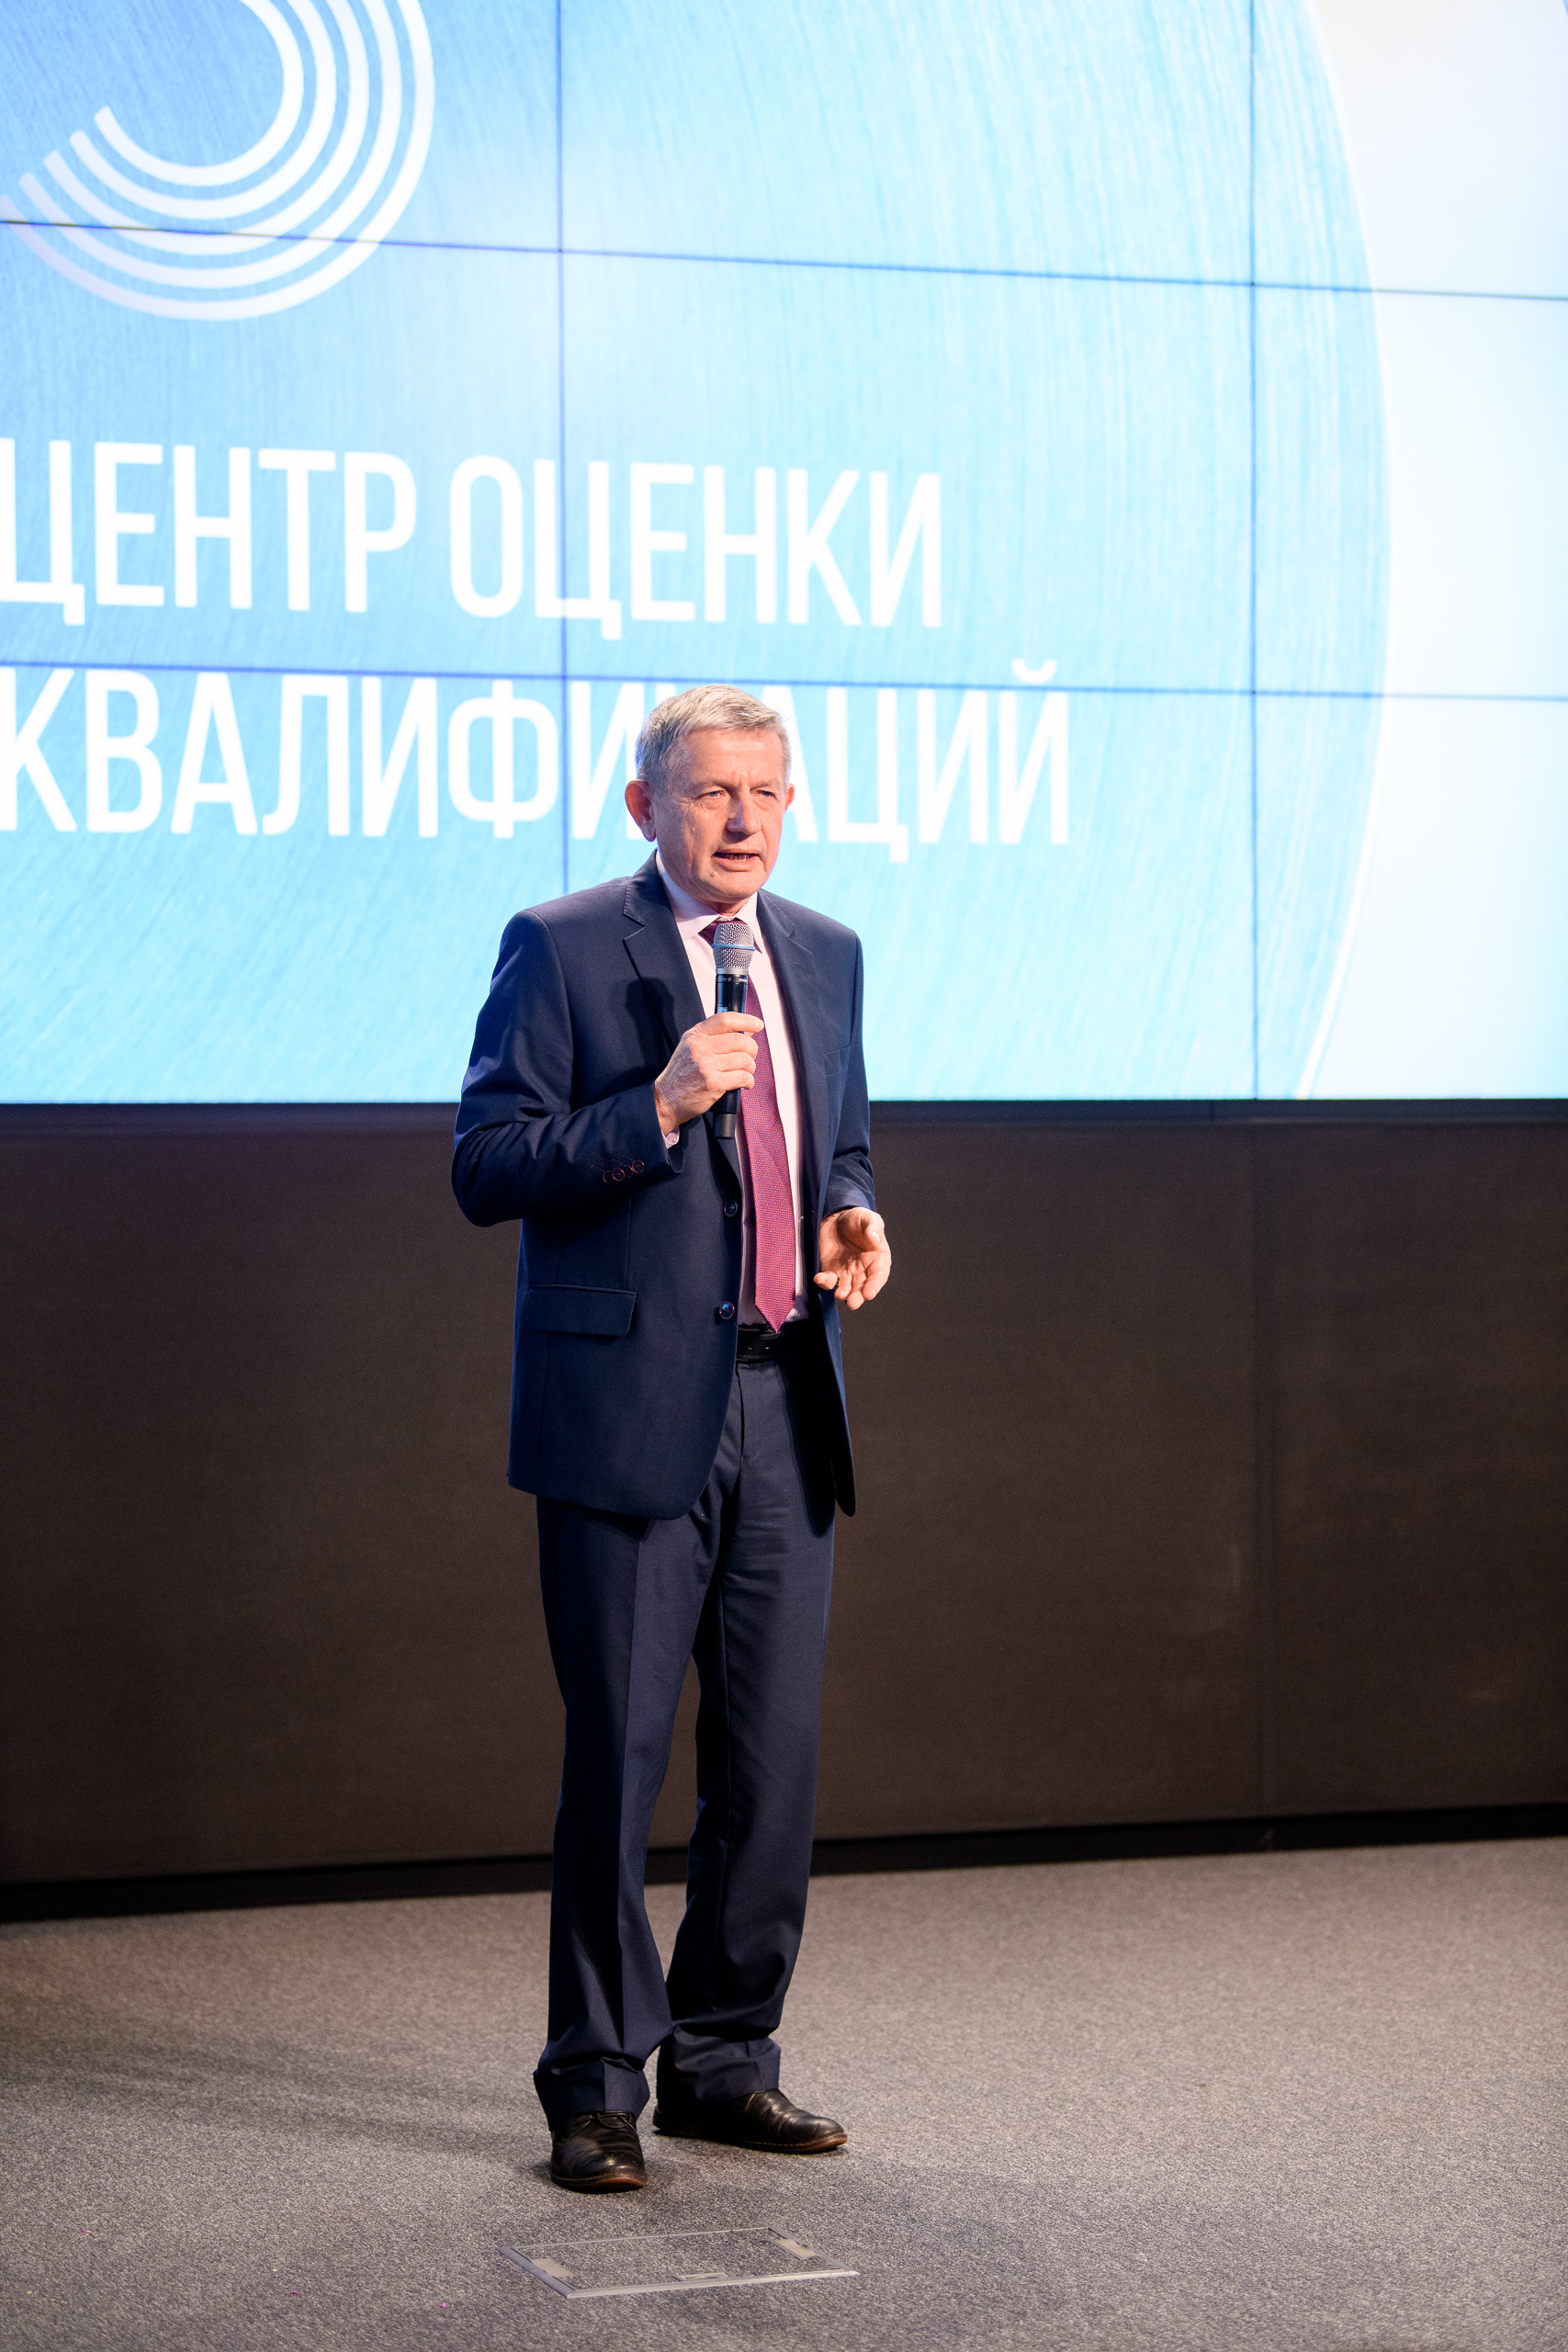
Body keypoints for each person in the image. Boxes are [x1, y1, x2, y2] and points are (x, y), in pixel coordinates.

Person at [452, 684, 891, 2192]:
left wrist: (851, 1213)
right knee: (620, 1763)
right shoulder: (564, 944)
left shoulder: (825, 953)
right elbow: (487, 1163)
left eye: (767, 792)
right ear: (647, 806)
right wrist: (651, 1107)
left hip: (786, 1400)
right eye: (712, 792)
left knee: (771, 1767)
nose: (745, 819)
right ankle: (594, 2085)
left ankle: (723, 2060)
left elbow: (837, 1140)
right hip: (630, 1416)